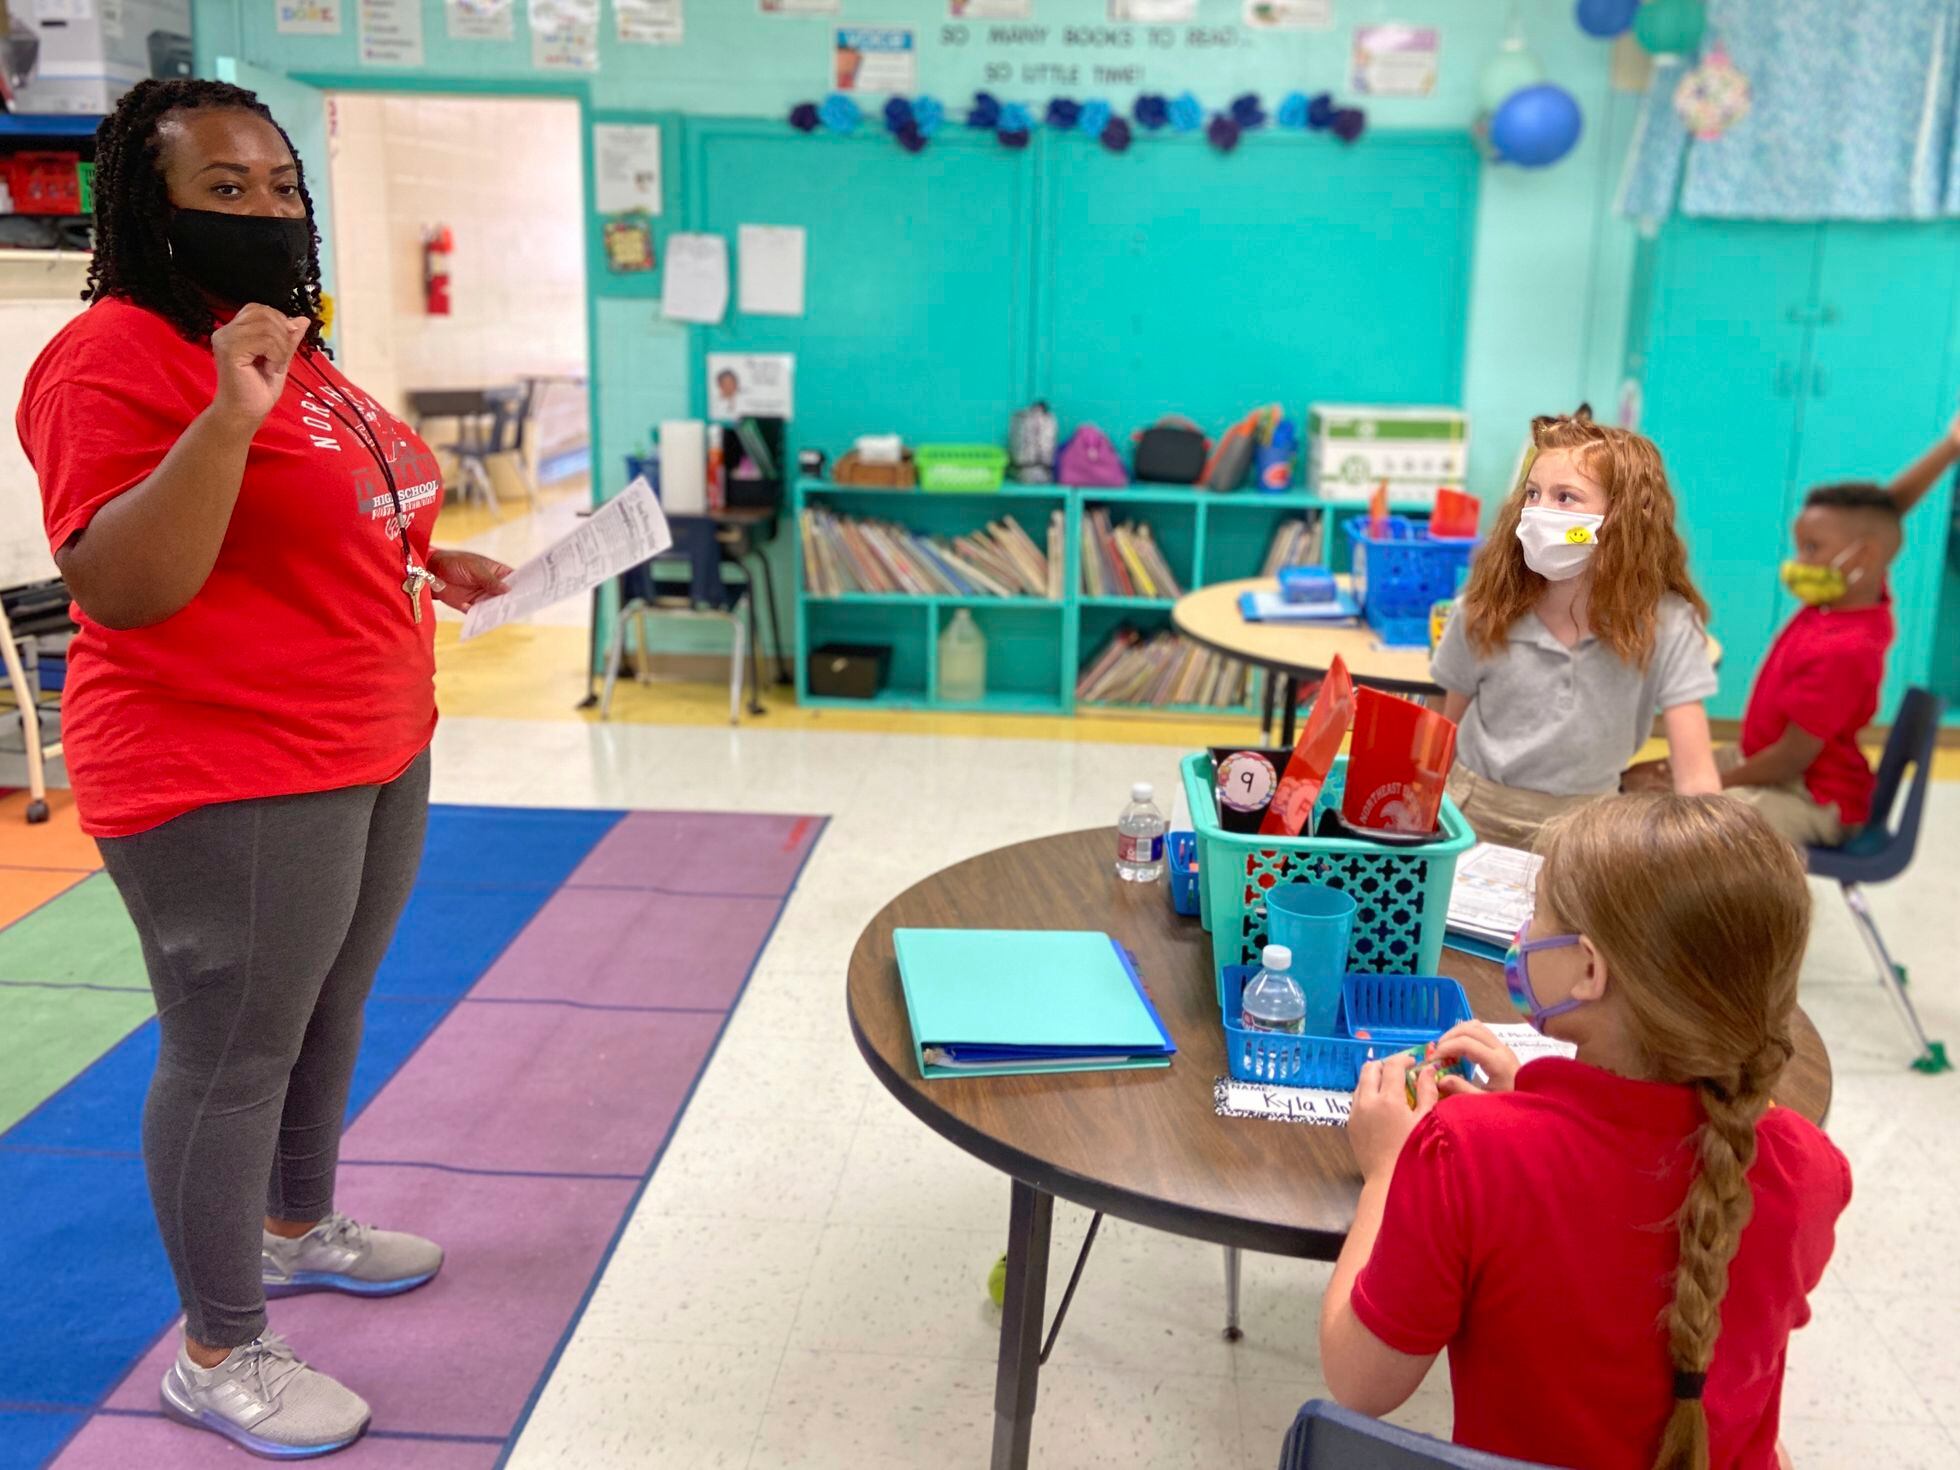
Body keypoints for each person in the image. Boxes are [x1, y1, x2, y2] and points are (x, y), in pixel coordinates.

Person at [15, 78, 513, 1458]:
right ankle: (218, 1348)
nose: (263, 208)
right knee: (233, 1051)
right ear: (145, 205)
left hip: (369, 734)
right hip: (223, 766)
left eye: (280, 186)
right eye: (222, 187)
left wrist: (425, 556)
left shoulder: (293, 345)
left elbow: (319, 511)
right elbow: (123, 585)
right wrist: (226, 416)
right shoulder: (111, 357)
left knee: (329, 1010)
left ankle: (297, 1226)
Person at [1319, 794, 1848, 1470]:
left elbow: (1359, 1383)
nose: (1525, 930)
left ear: (1591, 970)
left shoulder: (1464, 1151)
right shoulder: (1812, 1167)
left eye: (1538, 910)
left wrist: (1387, 1170)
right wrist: (1535, 1105)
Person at [1623, 415, 1959, 845]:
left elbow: (1793, 758)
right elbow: (1885, 513)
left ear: (1863, 559)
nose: (1799, 562)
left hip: (1810, 794)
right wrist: (1950, 445)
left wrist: (1710, 785)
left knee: (1685, 825)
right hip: (1767, 761)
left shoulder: (1848, 647)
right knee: (1638, 781)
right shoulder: (1843, 602)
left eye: (1812, 548)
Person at [1431, 407, 1721, 850]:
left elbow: (1697, 776)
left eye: (1565, 497)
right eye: (1532, 493)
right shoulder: (1485, 607)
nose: (1538, 512)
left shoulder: (1666, 624)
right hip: (1476, 812)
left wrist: (1710, 855)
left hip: (1588, 829)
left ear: (1622, 518)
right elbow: (1442, 733)